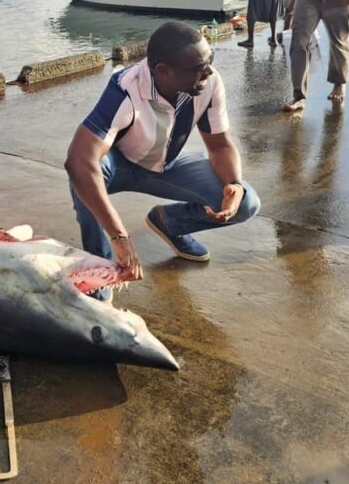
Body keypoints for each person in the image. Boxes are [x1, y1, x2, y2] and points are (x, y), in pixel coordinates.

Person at [65, 21, 261, 298]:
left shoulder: (208, 83)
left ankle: (170, 222)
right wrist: (120, 236)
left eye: (209, 61)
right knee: (83, 178)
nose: (208, 71)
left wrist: (233, 184)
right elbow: (79, 160)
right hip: (120, 165)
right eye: (198, 68)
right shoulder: (126, 88)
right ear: (163, 71)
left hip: (167, 165)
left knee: (246, 202)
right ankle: (101, 270)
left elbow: (219, 145)